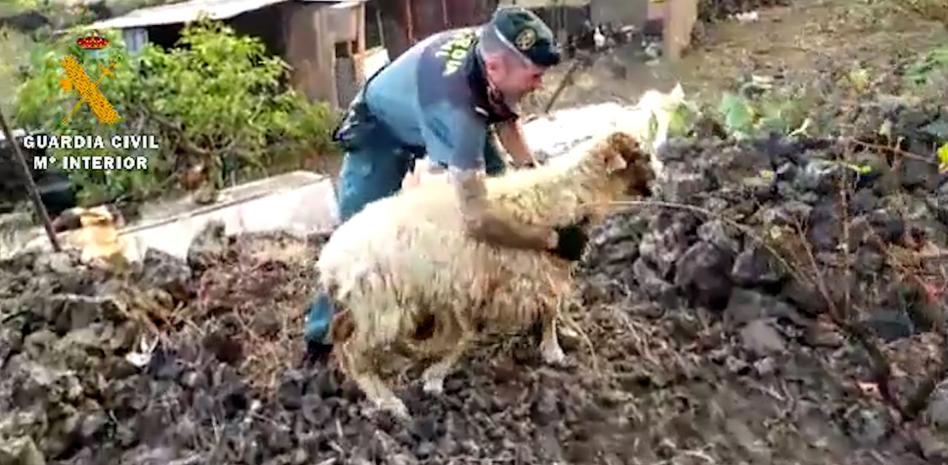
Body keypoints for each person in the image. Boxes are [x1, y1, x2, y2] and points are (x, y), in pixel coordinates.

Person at [304, 6, 589, 356]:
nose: (540, 84)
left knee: (515, 201)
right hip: (381, 130)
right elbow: (475, 217)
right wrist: (552, 237)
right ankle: (319, 338)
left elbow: (505, 116)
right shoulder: (458, 110)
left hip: (446, 113)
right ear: (497, 67)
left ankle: (533, 309)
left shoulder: (492, 54)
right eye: (534, 76)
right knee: (356, 243)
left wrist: (533, 176)